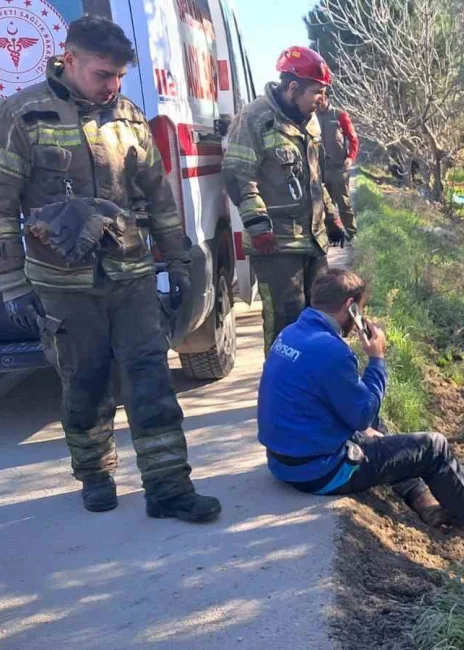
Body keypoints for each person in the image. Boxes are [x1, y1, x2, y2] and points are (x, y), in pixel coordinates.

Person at [0, 16, 220, 521]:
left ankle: (168, 488)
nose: (113, 86)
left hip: (131, 275)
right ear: (69, 59)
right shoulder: (22, 115)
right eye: (103, 74)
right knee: (85, 383)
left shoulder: (127, 115)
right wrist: (12, 284)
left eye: (120, 76)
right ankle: (96, 473)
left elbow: (158, 194)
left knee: (150, 380)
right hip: (63, 287)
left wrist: (179, 261)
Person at [257, 268, 464, 545]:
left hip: (282, 462)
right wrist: (376, 359)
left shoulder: (290, 333)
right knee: (433, 447)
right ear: (350, 307)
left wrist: (365, 427)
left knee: (380, 430)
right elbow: (363, 413)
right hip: (318, 472)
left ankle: (422, 499)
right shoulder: (331, 351)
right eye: (359, 310)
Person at [222, 45, 349, 354]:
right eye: (316, 92)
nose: (321, 101)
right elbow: (238, 175)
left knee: (320, 318)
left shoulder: (311, 121)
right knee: (286, 323)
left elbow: (315, 178)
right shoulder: (255, 119)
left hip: (312, 242)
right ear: (293, 88)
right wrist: (257, 227)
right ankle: (283, 393)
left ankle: (314, 388)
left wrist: (332, 217)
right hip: (276, 245)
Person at [316, 94, 360, 238]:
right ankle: (330, 234)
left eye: (321, 100)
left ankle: (352, 233)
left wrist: (350, 158)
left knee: (343, 202)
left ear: (327, 98)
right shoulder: (311, 117)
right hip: (319, 169)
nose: (319, 103)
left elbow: (353, 139)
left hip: (339, 167)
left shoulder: (340, 115)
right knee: (324, 205)